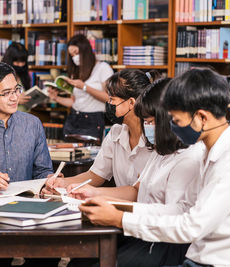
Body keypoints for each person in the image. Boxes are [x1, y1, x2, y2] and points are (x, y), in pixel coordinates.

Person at [79, 68, 230, 267]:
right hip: (195, 258)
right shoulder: (206, 153)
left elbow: (191, 226)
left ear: (202, 117)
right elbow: (181, 209)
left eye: (176, 121)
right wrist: (117, 210)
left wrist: (120, 219)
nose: (172, 127)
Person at [68, 78, 204, 267]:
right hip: (142, 231)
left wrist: (118, 215)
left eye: (149, 121)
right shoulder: (161, 151)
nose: (146, 127)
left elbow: (174, 217)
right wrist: (96, 195)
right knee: (80, 258)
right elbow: (137, 192)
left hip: (163, 242)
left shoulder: (189, 157)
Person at [43, 69, 152, 195]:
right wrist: (63, 183)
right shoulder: (115, 133)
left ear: (131, 103)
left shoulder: (154, 137)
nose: (108, 104)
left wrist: (94, 193)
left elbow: (137, 192)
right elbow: (96, 175)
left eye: (112, 99)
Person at [47, 34, 114, 140]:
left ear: (85, 51)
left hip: (93, 119)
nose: (74, 58)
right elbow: (74, 102)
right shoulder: (76, 72)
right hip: (73, 118)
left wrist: (84, 87)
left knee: (90, 154)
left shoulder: (103, 68)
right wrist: (56, 98)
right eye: (71, 55)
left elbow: (109, 98)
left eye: (76, 53)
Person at [2, 42, 32, 106]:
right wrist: (16, 100)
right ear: (9, 60)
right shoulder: (0, 76)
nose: (20, 65)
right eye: (17, 62)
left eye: (23, 61)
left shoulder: (23, 75)